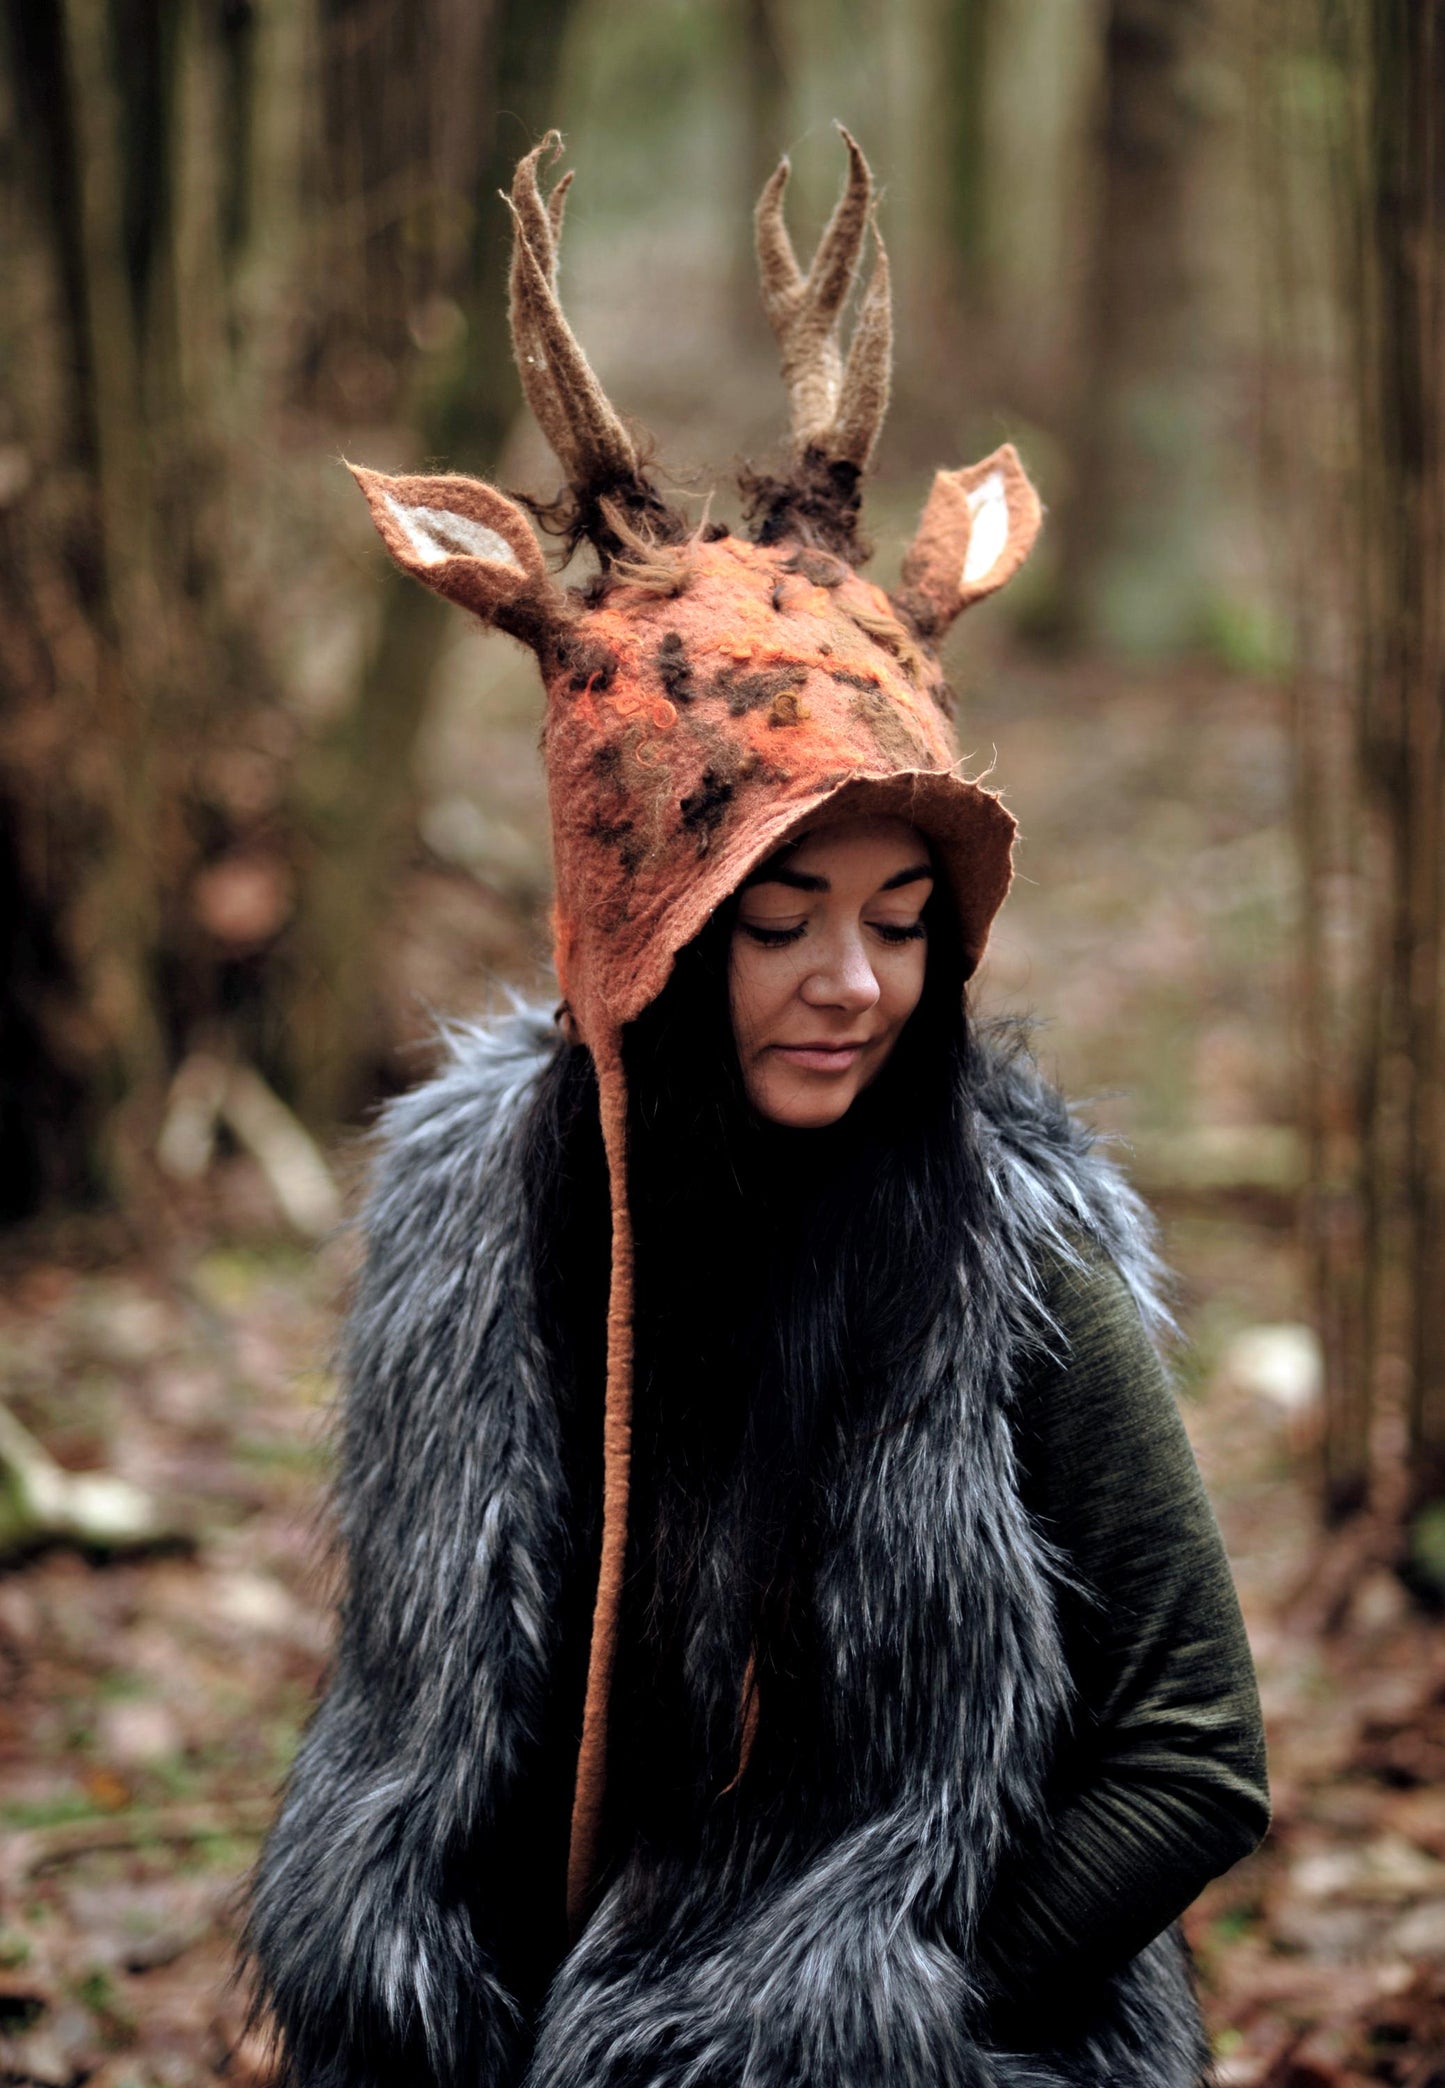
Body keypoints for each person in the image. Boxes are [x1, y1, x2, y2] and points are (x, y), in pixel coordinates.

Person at [244, 132, 1268, 2088]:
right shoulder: (483, 1219)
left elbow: (1193, 1749)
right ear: (648, 926)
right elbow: (425, 1716)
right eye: (778, 921)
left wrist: (906, 2028)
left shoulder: (1004, 1238)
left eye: (904, 926)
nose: (856, 986)